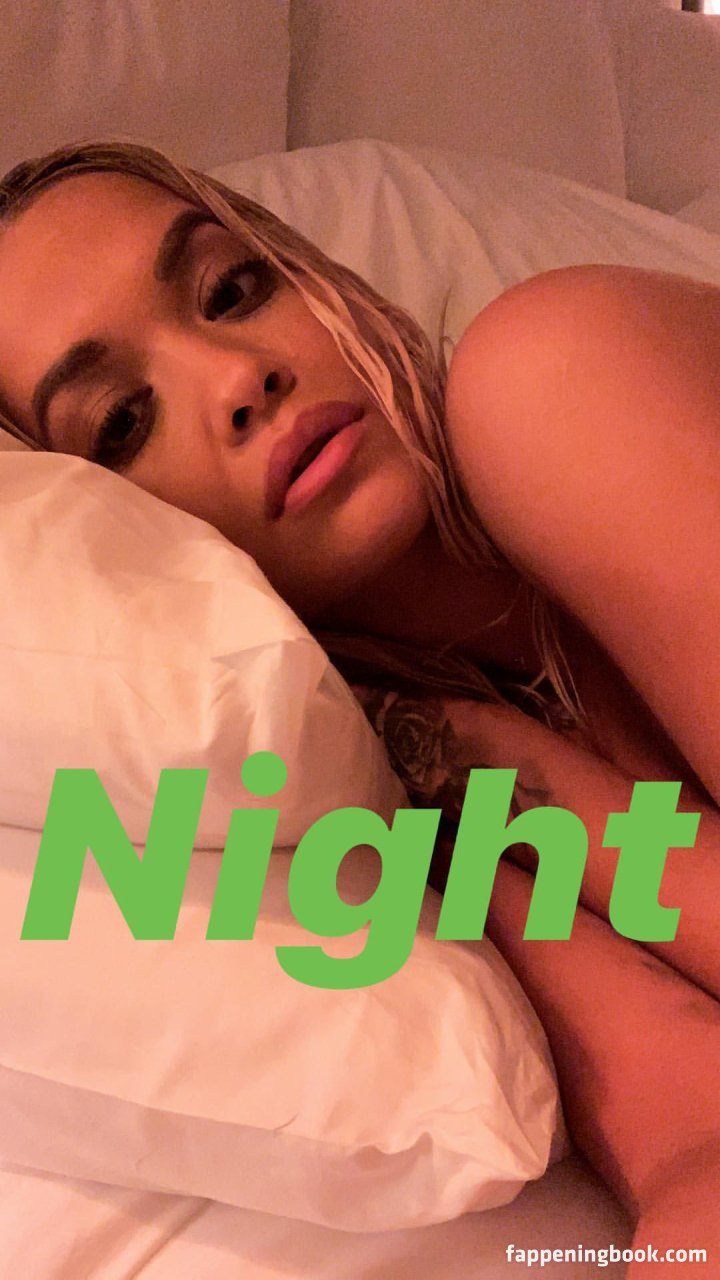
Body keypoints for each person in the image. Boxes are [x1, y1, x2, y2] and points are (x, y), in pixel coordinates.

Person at [1, 141, 719, 1271]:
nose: (238, 378)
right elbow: (692, 1138)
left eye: (232, 289)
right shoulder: (416, 786)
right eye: (124, 420)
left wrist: (541, 788)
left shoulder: (550, 376)